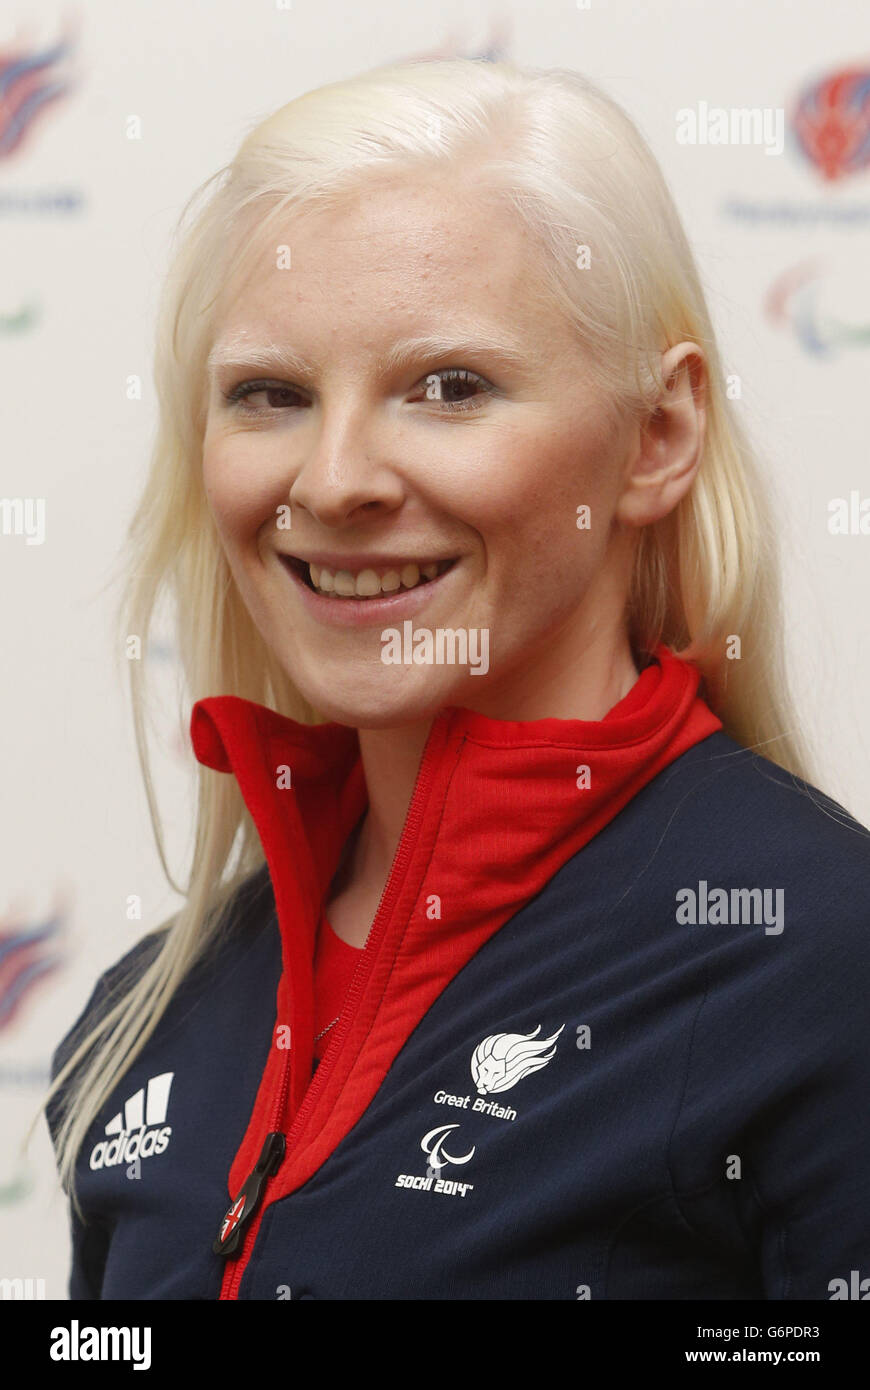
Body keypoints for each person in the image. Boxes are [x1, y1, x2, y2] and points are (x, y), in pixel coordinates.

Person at [40, 57, 870, 1300]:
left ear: (659, 435)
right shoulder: (148, 1017)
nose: (332, 482)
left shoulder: (816, 961)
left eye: (447, 388)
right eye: (270, 395)